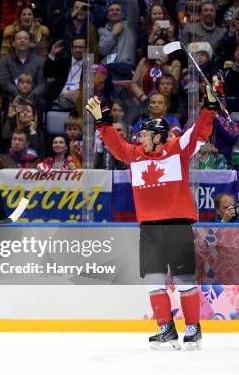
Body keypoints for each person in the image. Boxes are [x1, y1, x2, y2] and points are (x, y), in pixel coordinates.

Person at [86, 81, 220, 350]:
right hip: (149, 228)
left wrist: (210, 106)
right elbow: (115, 144)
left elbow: (200, 132)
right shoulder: (134, 155)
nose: (140, 138)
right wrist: (102, 122)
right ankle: (166, 330)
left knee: (184, 282)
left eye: (145, 134)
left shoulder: (177, 150)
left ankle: (193, 329)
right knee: (152, 282)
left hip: (177, 224)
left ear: (159, 137)